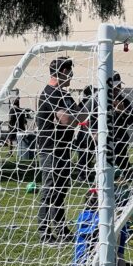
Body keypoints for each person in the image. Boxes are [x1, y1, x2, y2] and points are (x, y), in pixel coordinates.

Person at [36, 57, 85, 243]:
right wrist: (77, 117)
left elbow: (79, 116)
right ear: (64, 71)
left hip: (64, 147)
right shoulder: (51, 93)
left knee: (61, 190)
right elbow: (67, 120)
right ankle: (44, 232)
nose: (72, 76)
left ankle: (61, 230)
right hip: (51, 149)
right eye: (70, 72)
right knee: (50, 189)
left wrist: (79, 115)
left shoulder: (64, 94)